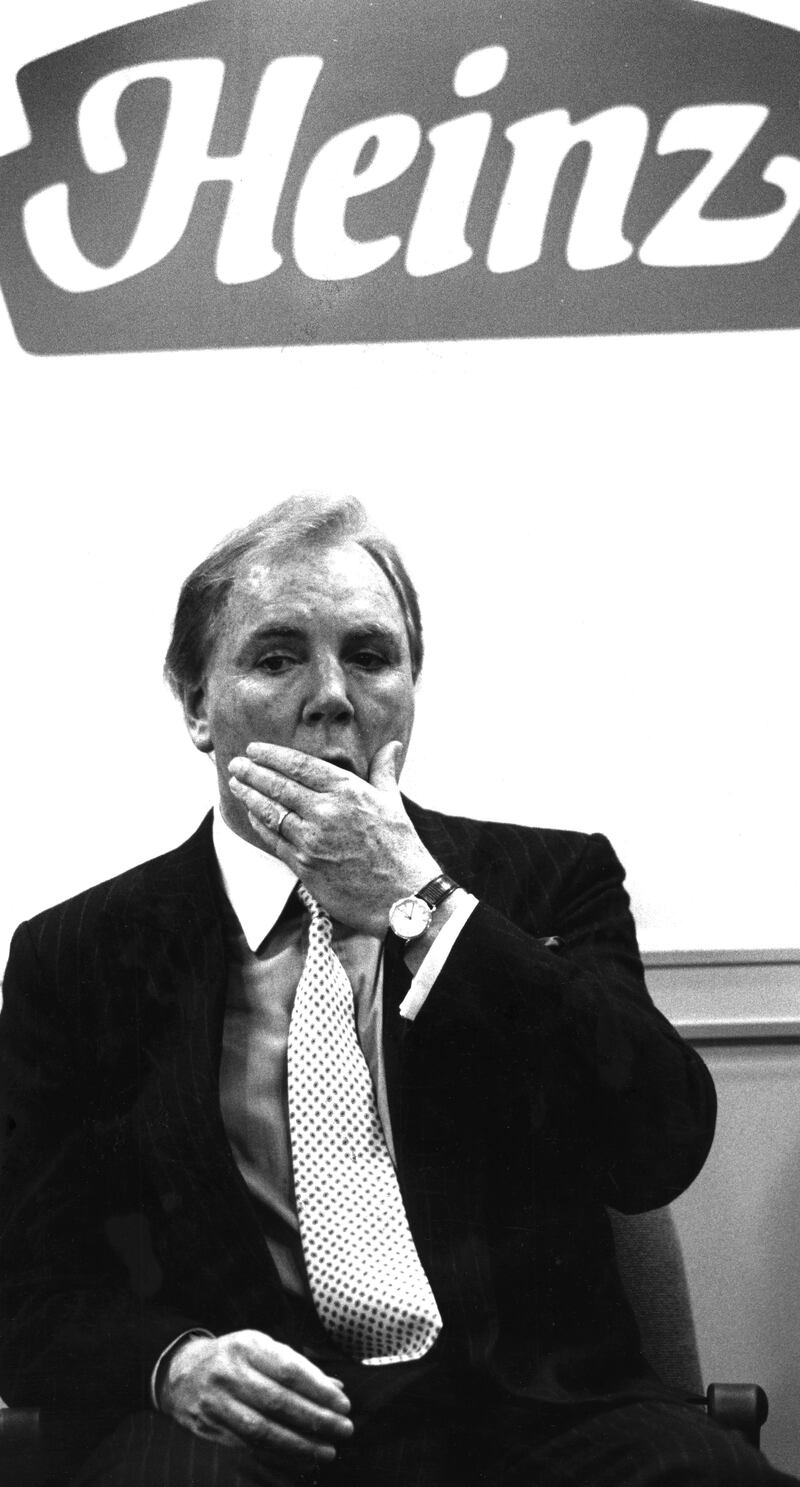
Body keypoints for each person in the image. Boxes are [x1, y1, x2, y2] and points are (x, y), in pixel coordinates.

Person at [0, 494, 794, 1487]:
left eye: (371, 656)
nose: (332, 695)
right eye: (277, 656)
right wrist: (173, 1361)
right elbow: (29, 1286)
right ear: (197, 704)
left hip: (533, 1417)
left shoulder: (549, 883)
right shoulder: (77, 956)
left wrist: (421, 905)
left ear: (411, 688)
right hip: (246, 1422)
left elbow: (655, 1145)